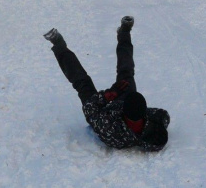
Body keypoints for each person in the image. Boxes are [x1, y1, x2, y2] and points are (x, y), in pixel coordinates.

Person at [43, 16, 170, 151]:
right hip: (123, 105)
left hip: (101, 110)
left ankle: (58, 45)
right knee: (126, 72)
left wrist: (107, 96)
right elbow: (164, 115)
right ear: (144, 114)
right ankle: (124, 33)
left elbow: (89, 109)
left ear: (124, 113)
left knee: (82, 82)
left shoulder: (112, 131)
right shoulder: (153, 122)